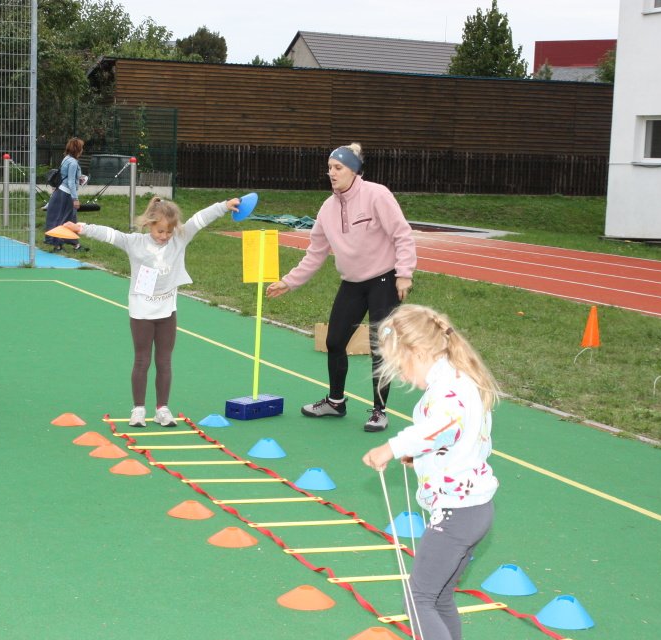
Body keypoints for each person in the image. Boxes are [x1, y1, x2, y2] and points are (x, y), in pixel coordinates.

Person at [361, 304, 500, 640]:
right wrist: (422, 457)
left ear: (417, 351)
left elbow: (436, 428)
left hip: (458, 514)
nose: (403, 376)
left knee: (419, 596)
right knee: (438, 596)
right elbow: (456, 440)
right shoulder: (457, 379)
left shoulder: (449, 391)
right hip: (471, 508)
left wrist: (392, 448)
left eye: (401, 365)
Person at [266, 142, 416, 433]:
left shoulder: (377, 195)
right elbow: (315, 253)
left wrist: (404, 274)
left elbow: (402, 234)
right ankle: (335, 402)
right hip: (352, 283)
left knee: (380, 346)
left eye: (338, 168)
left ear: (354, 170)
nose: (331, 173)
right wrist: (289, 281)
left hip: (384, 280)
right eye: (329, 168)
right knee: (334, 341)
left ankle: (379, 411)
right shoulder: (327, 208)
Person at [66, 195, 241, 427]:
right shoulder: (134, 243)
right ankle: (138, 409)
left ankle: (162, 409)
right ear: (149, 224)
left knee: (164, 361)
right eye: (160, 231)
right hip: (141, 312)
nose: (164, 236)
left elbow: (200, 219)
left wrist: (224, 206)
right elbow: (110, 234)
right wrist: (82, 228)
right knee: (142, 360)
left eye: (169, 231)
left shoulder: (179, 239)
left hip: (167, 311)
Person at [44, 137, 87, 252]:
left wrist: (79, 179)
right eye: (81, 148)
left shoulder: (66, 159)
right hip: (67, 194)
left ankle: (73, 244)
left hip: (60, 191)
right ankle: (59, 244)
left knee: (67, 218)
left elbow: (66, 177)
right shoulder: (73, 163)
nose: (82, 150)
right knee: (65, 219)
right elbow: (71, 182)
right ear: (77, 149)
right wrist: (75, 198)